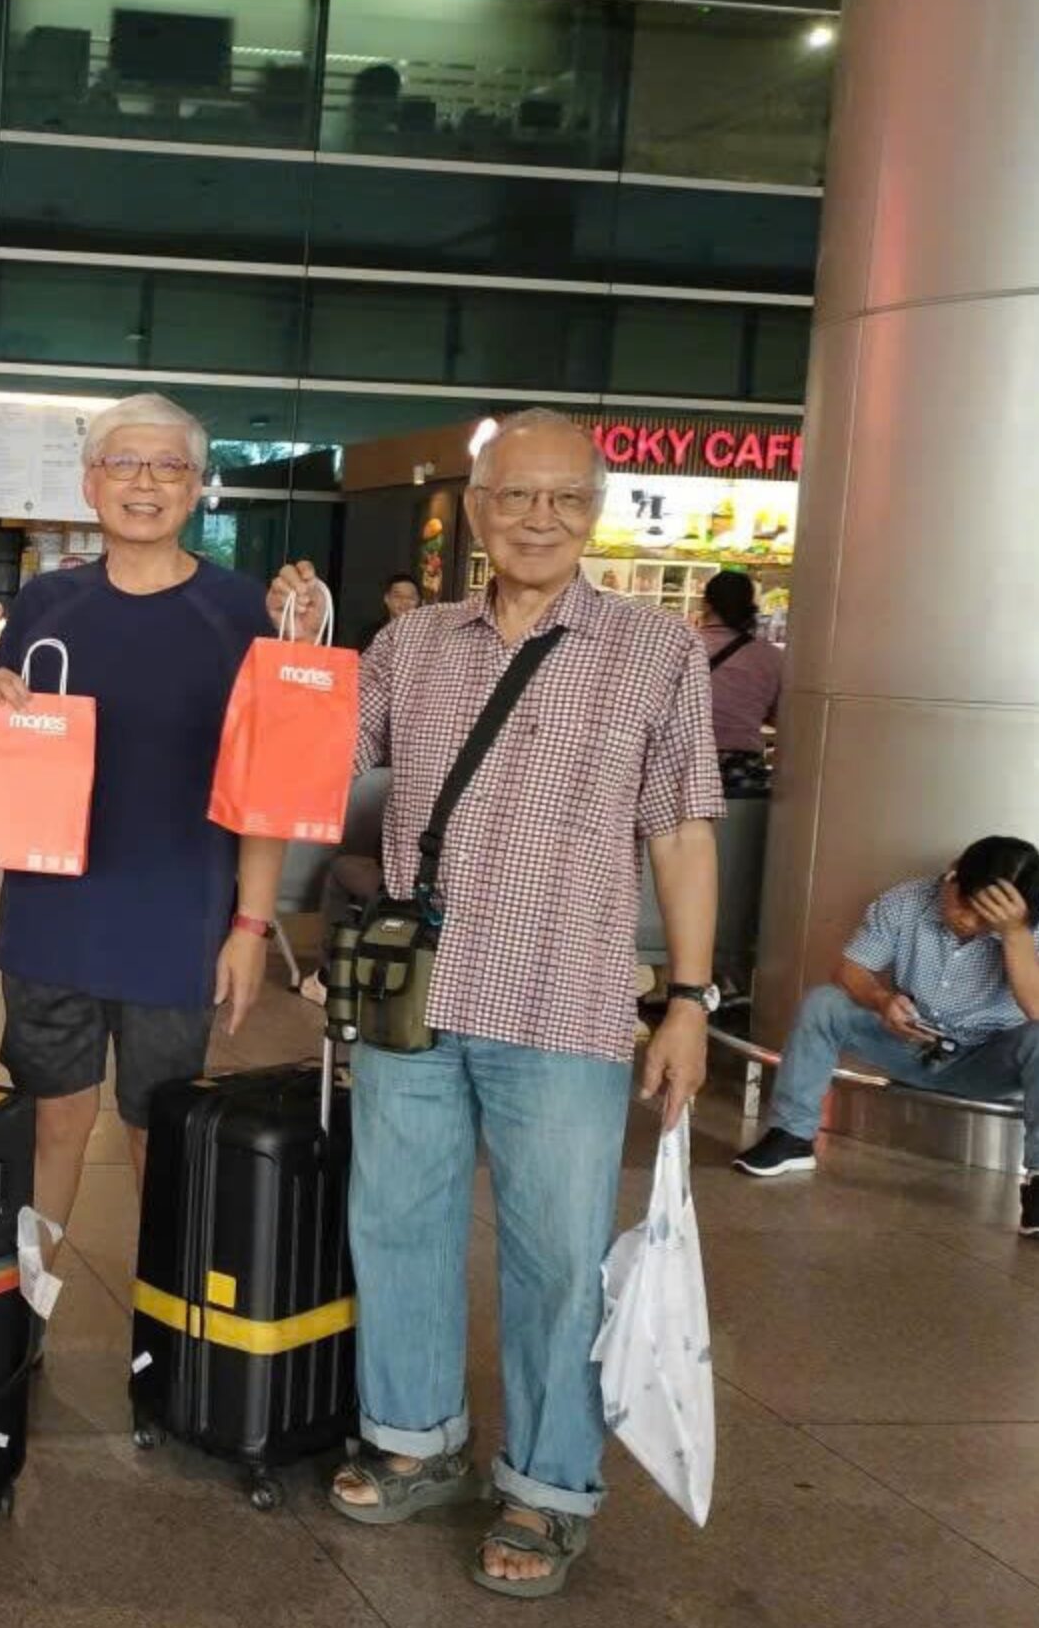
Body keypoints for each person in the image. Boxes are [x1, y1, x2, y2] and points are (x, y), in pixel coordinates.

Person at [275, 408, 721, 1599]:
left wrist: (688, 998)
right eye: (515, 495)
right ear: (473, 510)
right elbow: (312, 762)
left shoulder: (654, 649)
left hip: (566, 999)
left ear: (595, 511)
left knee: (559, 1259)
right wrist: (298, 652)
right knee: (397, 1221)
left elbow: (681, 830)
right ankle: (414, 1437)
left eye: (565, 497)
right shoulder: (412, 642)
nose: (539, 517)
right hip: (416, 992)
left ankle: (548, 1484)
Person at [0, 393, 285, 1257]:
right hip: (50, 916)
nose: (145, 482)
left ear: (197, 488)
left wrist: (252, 924)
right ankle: (23, 1314)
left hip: (177, 920)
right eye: (124, 463)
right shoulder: (46, 603)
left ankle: (165, 1325)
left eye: (169, 465)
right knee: (50, 1125)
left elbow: (269, 783)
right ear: (90, 483)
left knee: (160, 1135)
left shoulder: (240, 612)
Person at [734, 838, 1039, 1238]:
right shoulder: (907, 901)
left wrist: (1015, 935)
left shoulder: (1038, 926)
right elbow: (850, 969)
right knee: (824, 1003)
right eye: (964, 905)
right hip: (908, 1043)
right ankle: (792, 1137)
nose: (969, 922)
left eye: (985, 919)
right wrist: (881, 1000)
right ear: (952, 874)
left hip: (988, 1060)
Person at [698, 569, 781, 794]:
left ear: (706, 604)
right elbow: (781, 719)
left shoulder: (681, 648)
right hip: (743, 771)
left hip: (683, 765)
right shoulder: (771, 657)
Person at [358, 571, 420, 650]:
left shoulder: (426, 634)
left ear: (419, 601)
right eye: (398, 596)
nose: (404, 601)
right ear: (386, 599)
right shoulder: (371, 634)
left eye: (410, 597)